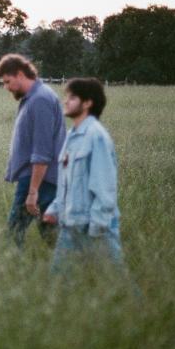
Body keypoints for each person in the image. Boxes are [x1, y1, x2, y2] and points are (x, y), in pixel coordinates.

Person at [43, 78, 126, 274]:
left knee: (117, 283)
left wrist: (98, 227)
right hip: (70, 225)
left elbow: (105, 186)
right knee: (59, 283)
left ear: (87, 103)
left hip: (94, 227)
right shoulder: (72, 135)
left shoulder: (96, 136)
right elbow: (67, 183)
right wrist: (54, 209)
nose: (66, 101)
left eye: (72, 98)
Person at [0, 54, 66, 249]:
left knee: (14, 231)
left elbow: (42, 151)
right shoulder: (33, 98)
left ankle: (11, 270)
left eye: (8, 82)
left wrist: (32, 191)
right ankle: (69, 265)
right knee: (49, 229)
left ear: (19, 74)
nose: (6, 87)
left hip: (38, 179)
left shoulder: (40, 100)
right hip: (41, 178)